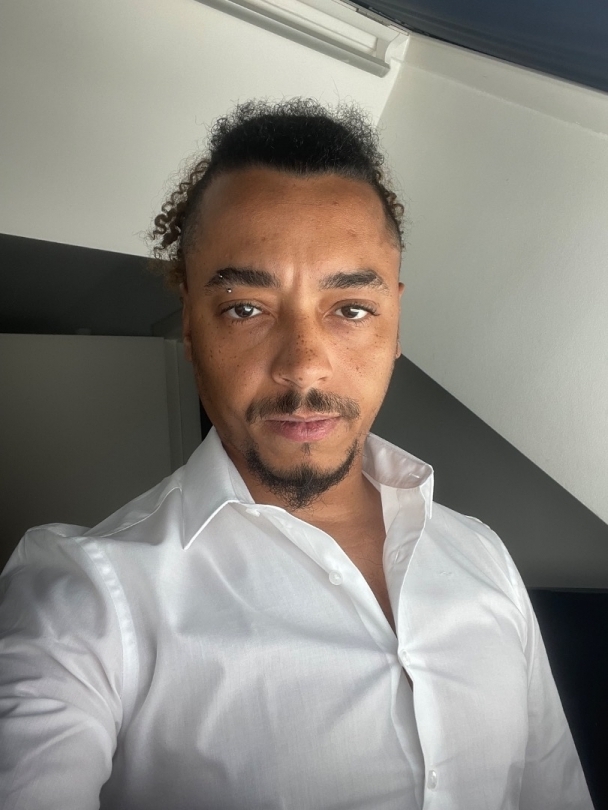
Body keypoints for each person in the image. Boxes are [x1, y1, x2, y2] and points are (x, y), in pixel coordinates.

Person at [0, 99, 593, 810]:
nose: (304, 367)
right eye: (245, 309)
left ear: (395, 320)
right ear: (190, 325)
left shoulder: (484, 558)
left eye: (350, 310)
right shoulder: (83, 597)